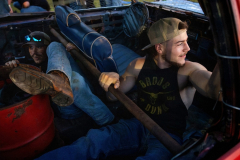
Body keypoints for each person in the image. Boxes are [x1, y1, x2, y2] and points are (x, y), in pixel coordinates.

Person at [35, 17, 221, 160]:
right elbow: (113, 97)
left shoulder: (190, 70)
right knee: (90, 143)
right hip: (136, 126)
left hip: (167, 137)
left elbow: (214, 90)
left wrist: (229, 50)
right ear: (159, 48)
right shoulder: (137, 66)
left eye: (186, 41)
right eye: (180, 43)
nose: (188, 48)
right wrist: (113, 80)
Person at [4, 31, 114, 126]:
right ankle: (107, 120)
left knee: (56, 47)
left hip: (80, 97)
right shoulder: (33, 67)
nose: (34, 52)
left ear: (46, 48)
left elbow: (84, 68)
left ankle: (58, 79)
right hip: (66, 108)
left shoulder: (55, 53)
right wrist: (13, 66)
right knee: (73, 81)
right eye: (31, 47)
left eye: (39, 46)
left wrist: (76, 52)